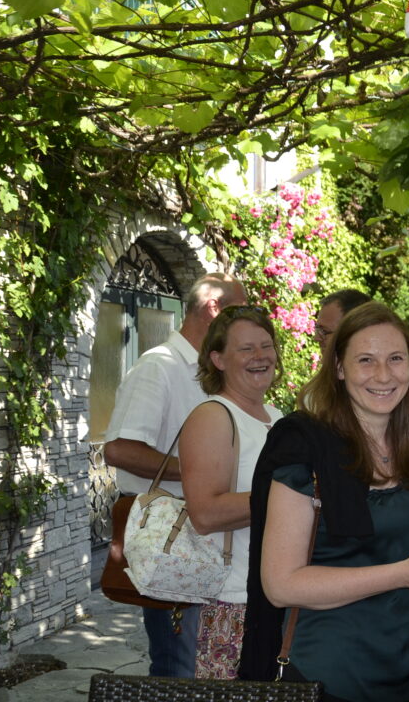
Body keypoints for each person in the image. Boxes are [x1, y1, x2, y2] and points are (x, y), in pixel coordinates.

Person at [241, 302, 409, 700]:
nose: (383, 375)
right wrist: (405, 574)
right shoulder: (304, 445)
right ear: (339, 368)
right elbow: (280, 584)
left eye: (395, 358)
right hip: (334, 678)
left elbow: (399, 550)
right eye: (366, 360)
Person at [102, 272, 247, 677]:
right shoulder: (160, 366)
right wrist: (202, 472)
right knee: (179, 670)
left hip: (210, 542)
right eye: (242, 310)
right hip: (175, 541)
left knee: (204, 666)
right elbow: (119, 449)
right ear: (214, 309)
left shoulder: (212, 370)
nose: (250, 321)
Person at [180, 305, 283, 679]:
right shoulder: (213, 416)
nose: (260, 356)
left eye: (266, 346)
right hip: (234, 601)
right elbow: (205, 514)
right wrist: (286, 499)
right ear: (218, 359)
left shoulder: (277, 416)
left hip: (277, 593)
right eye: (246, 349)